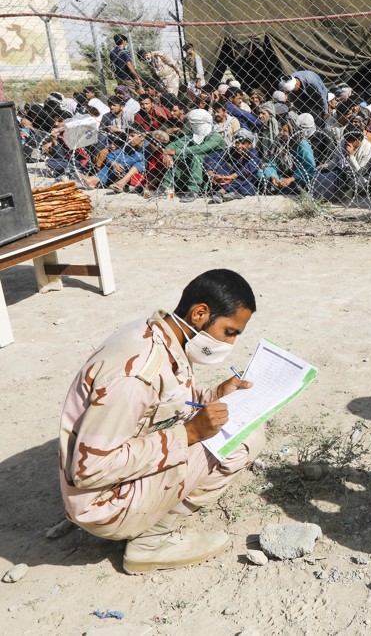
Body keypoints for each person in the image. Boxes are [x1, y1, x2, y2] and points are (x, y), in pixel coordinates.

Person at [59, 269, 263, 574]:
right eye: (229, 332)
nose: (230, 343)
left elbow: (167, 403)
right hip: (102, 505)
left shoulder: (157, 333)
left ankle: (151, 521)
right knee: (245, 439)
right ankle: (152, 540)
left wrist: (217, 393)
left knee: (234, 426)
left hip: (111, 483)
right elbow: (88, 471)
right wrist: (189, 435)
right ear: (200, 313)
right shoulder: (136, 374)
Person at [162, 109, 227, 201]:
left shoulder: (215, 137)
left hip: (214, 165)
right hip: (197, 166)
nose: (195, 126)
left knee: (195, 156)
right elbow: (174, 144)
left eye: (197, 124)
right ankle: (166, 186)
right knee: (179, 157)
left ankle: (193, 191)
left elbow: (201, 149)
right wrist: (167, 153)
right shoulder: (192, 135)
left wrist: (176, 152)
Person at [203, 128, 261, 202]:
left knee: (246, 176)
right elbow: (212, 157)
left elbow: (250, 168)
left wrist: (231, 177)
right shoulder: (231, 151)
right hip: (230, 181)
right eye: (237, 143)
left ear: (249, 144)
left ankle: (221, 192)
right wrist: (212, 175)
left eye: (243, 143)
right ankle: (234, 193)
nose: (239, 146)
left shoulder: (253, 153)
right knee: (220, 164)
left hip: (244, 181)